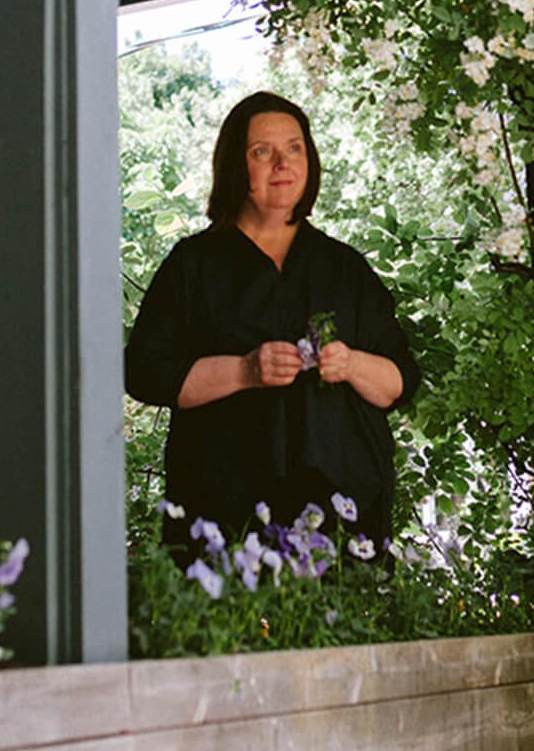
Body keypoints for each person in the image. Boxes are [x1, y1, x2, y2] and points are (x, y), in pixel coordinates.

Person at [125, 91, 420, 555]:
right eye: (262, 151)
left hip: (342, 526)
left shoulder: (343, 268)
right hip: (223, 519)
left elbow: (401, 381)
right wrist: (244, 371)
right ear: (234, 164)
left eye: (294, 148)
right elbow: (145, 373)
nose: (282, 163)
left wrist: (351, 364)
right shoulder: (194, 265)